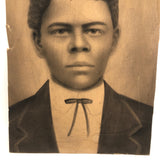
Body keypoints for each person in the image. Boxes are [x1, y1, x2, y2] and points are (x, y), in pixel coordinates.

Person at [9, 0, 153, 154]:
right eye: (61, 31)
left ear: (114, 39)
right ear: (38, 41)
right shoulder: (8, 122)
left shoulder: (151, 121)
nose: (78, 44)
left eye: (93, 31)